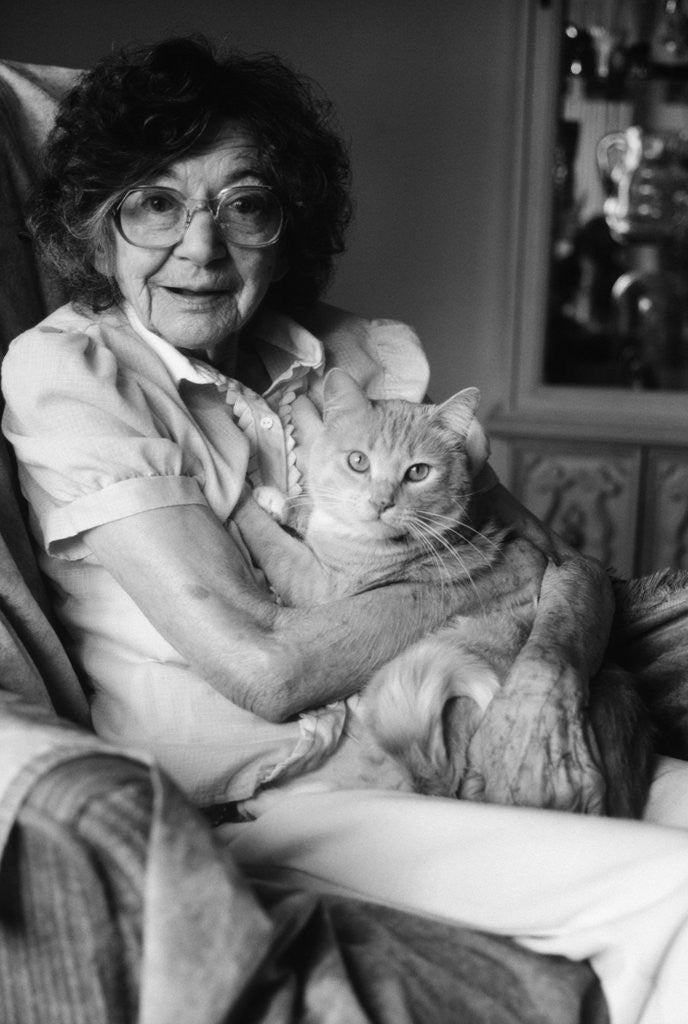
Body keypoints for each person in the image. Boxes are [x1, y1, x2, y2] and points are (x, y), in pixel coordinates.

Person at [4, 37, 688, 1023]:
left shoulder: (346, 359)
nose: (200, 246)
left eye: (242, 204)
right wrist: (489, 581)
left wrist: (547, 671)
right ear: (93, 222)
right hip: (280, 796)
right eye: (155, 201)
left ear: (285, 227)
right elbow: (268, 669)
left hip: (438, 735)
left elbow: (560, 560)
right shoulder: (74, 370)